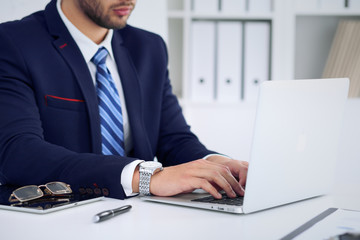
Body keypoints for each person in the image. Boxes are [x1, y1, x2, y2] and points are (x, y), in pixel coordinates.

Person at [0, 0, 248, 200]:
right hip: (61, 218)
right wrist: (147, 177)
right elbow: (17, 152)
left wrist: (219, 165)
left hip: (139, 217)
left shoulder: (149, 47)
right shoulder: (14, 42)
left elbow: (173, 138)